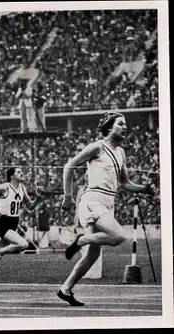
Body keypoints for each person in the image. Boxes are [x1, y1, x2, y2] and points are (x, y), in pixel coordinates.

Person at [57, 112, 155, 306]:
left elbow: (124, 183)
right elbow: (69, 165)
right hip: (93, 200)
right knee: (119, 236)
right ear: (109, 127)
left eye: (125, 124)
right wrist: (67, 196)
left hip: (108, 203)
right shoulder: (97, 147)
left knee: (93, 254)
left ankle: (65, 289)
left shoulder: (120, 153)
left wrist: (144, 189)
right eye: (120, 123)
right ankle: (81, 240)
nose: (125, 127)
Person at [0, 167, 42, 292]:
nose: (22, 174)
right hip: (4, 222)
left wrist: (37, 198)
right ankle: (0, 253)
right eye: (19, 172)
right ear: (12, 176)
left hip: (14, 222)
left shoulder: (22, 188)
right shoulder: (5, 187)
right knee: (23, 244)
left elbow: (30, 206)